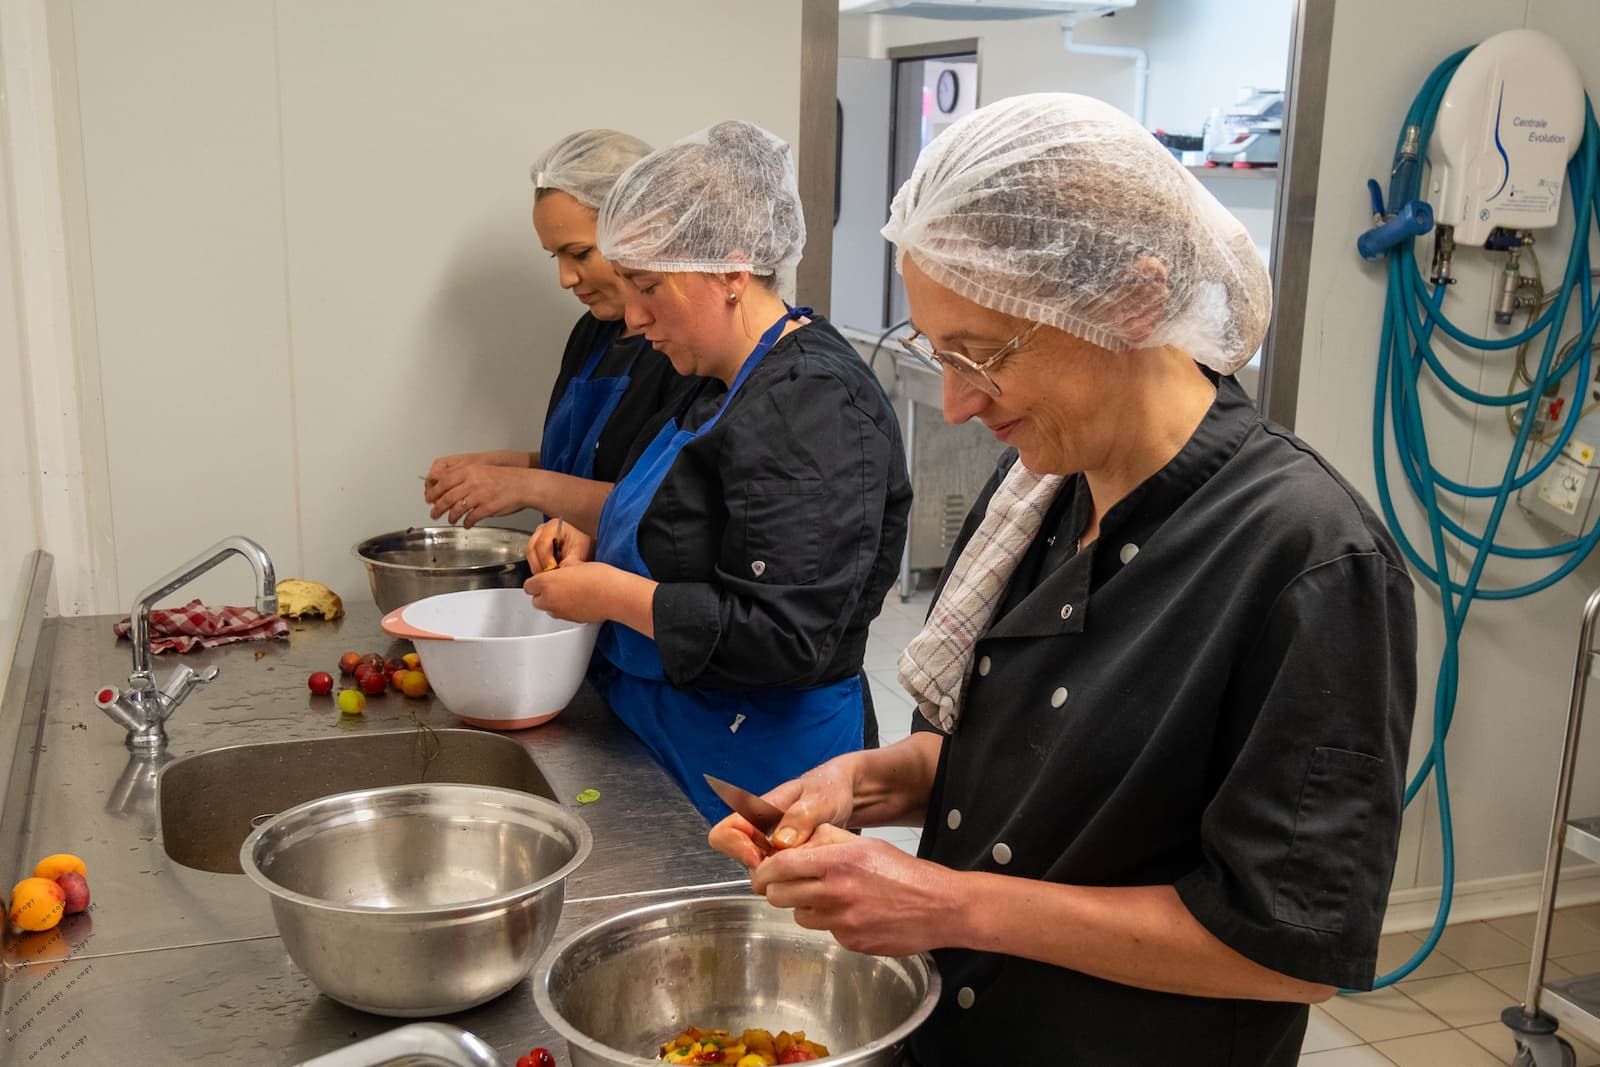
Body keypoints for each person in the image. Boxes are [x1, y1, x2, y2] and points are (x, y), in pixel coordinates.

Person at [709, 93, 1418, 1066]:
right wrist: (862, 783)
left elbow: (1289, 952)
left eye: (982, 355)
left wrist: (947, 903)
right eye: (935, 351)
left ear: (1131, 298)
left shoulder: (1306, 559)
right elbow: (1022, 759)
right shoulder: (1037, 488)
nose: (955, 403)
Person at [523, 121, 911, 821]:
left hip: (762, 770)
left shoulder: (814, 403)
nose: (633, 319)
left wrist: (610, 593)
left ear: (731, 271)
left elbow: (786, 635)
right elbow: (689, 534)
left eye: (649, 287)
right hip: (668, 733)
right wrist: (599, 544)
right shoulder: (713, 377)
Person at [424, 129, 695, 525]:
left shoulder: (688, 350)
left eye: (580, 254)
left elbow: (665, 506)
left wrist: (524, 486)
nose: (566, 279)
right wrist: (508, 469)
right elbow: (596, 459)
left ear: (642, 231)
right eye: (556, 257)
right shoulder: (593, 332)